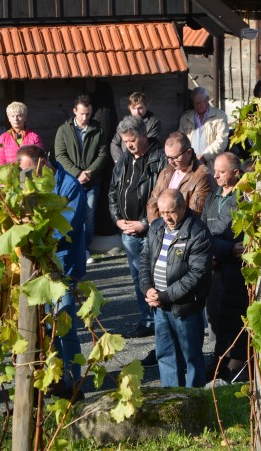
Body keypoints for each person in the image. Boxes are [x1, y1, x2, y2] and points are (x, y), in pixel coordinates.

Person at [17, 145, 87, 401]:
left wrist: (38, 242)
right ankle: (56, 378)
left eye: (30, 170)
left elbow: (66, 227)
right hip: (40, 265)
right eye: (23, 172)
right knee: (48, 326)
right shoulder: (30, 186)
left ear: (42, 162)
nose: (28, 176)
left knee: (64, 323)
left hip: (63, 265)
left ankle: (74, 383)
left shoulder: (70, 186)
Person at [139, 189, 212, 388]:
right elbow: (145, 259)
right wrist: (147, 288)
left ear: (183, 207)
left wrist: (164, 296)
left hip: (185, 307)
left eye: (170, 212)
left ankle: (194, 398)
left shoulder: (198, 232)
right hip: (159, 306)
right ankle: (171, 397)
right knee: (165, 355)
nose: (166, 218)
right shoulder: (156, 226)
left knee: (191, 357)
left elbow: (197, 275)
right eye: (162, 212)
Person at [109, 115, 166, 347]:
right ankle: (147, 321)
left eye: (132, 140)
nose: (129, 145)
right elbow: (113, 191)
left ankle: (161, 322)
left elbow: (163, 197)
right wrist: (117, 220)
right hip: (128, 231)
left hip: (151, 230)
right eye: (125, 141)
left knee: (157, 277)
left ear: (143, 135)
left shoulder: (160, 158)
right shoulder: (124, 158)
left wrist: (145, 223)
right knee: (137, 278)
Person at [201, 153, 248, 382]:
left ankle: (236, 363)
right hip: (214, 267)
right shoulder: (213, 197)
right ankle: (219, 358)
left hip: (234, 270)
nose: (216, 176)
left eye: (221, 172)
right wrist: (208, 254)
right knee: (215, 316)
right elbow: (204, 230)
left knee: (234, 318)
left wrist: (226, 250)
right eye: (215, 171)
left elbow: (237, 241)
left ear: (236, 172)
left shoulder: (243, 198)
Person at [54, 94, 109, 265]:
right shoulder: (63, 130)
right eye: (82, 113)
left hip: (91, 182)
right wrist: (77, 174)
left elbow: (103, 154)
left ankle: (84, 249)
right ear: (74, 111)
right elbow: (60, 155)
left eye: (88, 114)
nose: (85, 117)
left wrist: (89, 173)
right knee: (71, 216)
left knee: (89, 217)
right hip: (70, 183)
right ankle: (70, 249)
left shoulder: (98, 130)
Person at [146, 132, 213, 223]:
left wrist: (171, 228)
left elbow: (195, 214)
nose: (171, 162)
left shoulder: (202, 176)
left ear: (189, 152)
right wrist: (156, 227)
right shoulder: (167, 170)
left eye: (175, 157)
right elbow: (153, 202)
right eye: (168, 157)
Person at [178, 87, 229, 173]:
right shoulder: (185, 118)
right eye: (196, 103)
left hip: (211, 164)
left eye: (201, 102)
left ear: (207, 99)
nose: (199, 106)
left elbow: (222, 141)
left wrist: (205, 156)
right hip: (190, 164)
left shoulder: (220, 116)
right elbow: (180, 141)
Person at [110, 92, 162, 163]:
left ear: (146, 106)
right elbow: (114, 143)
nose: (137, 112)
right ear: (129, 108)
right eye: (134, 108)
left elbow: (148, 145)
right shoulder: (125, 122)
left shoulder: (153, 123)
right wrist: (120, 161)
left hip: (143, 162)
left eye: (140, 108)